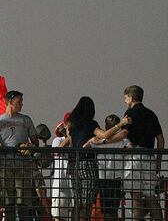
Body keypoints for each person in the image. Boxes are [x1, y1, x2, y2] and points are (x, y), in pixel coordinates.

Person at [98, 86, 164, 221]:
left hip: (135, 157)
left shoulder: (130, 113)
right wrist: (158, 160)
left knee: (136, 195)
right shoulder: (151, 114)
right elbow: (160, 139)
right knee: (151, 196)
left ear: (131, 97)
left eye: (125, 97)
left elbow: (124, 133)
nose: (125, 101)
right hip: (150, 157)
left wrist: (106, 141)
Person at [0, 90, 39, 221]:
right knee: (8, 202)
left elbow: (35, 141)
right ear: (10, 102)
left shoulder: (26, 120)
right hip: (6, 166)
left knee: (24, 203)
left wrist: (29, 147)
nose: (21, 104)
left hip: (23, 166)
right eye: (19, 102)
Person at [60, 97, 103, 221]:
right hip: (88, 163)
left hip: (75, 165)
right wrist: (118, 127)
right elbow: (103, 135)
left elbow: (72, 143)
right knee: (87, 202)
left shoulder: (73, 126)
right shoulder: (91, 124)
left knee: (77, 202)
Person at [50, 115, 73, 221]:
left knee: (76, 214)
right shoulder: (58, 140)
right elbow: (56, 151)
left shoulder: (78, 139)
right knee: (58, 216)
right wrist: (68, 138)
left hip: (73, 183)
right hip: (60, 183)